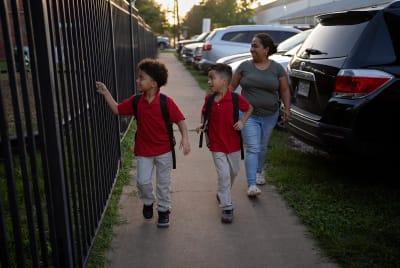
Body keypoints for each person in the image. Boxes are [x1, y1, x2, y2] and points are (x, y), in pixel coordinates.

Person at [96, 58, 191, 228]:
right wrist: (105, 92)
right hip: (143, 150)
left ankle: (163, 211)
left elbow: (180, 120)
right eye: (138, 77)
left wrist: (185, 138)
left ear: (153, 83)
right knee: (142, 181)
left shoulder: (165, 102)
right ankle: (148, 201)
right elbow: (117, 109)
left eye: (141, 78)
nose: (137, 80)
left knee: (163, 184)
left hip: (164, 150)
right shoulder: (136, 101)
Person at [229, 33, 291, 197]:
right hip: (247, 114)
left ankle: (258, 171)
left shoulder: (277, 68)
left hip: (270, 114)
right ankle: (251, 184)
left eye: (255, 46)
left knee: (262, 147)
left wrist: (287, 109)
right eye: (251, 46)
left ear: (266, 49)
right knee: (253, 147)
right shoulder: (244, 66)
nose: (252, 50)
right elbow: (231, 88)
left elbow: (284, 89)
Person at [196, 63, 253, 223]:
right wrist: (202, 124)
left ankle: (222, 192)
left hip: (233, 144)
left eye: (212, 78)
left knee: (233, 172)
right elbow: (203, 113)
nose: (209, 82)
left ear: (224, 81)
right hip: (216, 144)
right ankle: (227, 207)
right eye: (208, 79)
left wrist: (242, 121)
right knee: (223, 174)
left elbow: (249, 108)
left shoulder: (235, 98)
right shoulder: (209, 99)